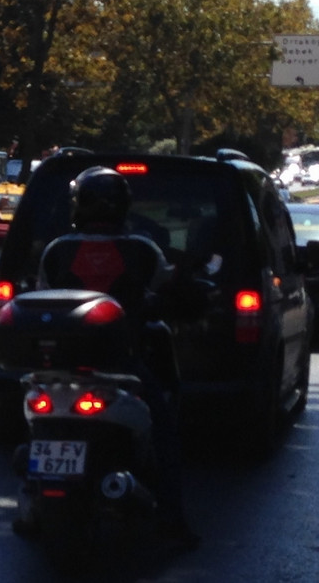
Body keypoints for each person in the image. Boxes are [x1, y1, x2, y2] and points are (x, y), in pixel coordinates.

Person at [33, 165, 198, 552]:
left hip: (60, 369)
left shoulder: (57, 250)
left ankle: (29, 502)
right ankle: (172, 520)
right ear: (123, 206)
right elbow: (169, 288)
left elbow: (40, 294)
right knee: (164, 432)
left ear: (78, 205)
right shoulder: (142, 249)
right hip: (122, 365)